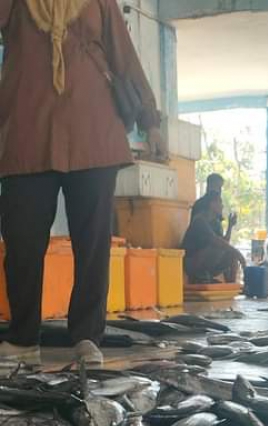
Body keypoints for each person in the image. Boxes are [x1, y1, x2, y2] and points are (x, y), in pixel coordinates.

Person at [0, 0, 164, 368]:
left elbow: (124, 57)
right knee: (22, 243)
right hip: (28, 134)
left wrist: (150, 120)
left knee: (92, 246)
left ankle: (87, 337)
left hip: (93, 133)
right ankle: (23, 337)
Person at [182, 194, 245, 284]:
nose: (222, 206)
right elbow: (216, 241)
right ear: (212, 204)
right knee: (222, 247)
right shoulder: (199, 220)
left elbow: (224, 243)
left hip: (206, 262)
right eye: (220, 202)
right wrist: (239, 254)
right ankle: (199, 278)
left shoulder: (215, 223)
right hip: (191, 263)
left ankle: (230, 285)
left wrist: (230, 226)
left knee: (231, 254)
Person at [192, 173, 236, 240]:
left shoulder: (216, 217)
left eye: (221, 187)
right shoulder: (200, 208)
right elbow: (217, 242)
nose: (220, 190)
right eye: (218, 187)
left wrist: (230, 226)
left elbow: (223, 241)